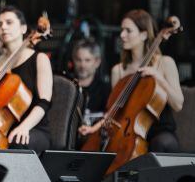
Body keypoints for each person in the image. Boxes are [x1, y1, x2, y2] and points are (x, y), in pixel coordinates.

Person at [79, 9, 183, 152]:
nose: (122, 35)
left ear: (144, 34)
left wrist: (158, 77)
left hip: (159, 132)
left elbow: (178, 104)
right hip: (128, 132)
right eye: (122, 30)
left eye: (128, 31)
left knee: (162, 143)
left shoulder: (165, 63)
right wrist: (93, 129)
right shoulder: (118, 70)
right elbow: (115, 111)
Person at [0, 6, 52, 154]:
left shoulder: (39, 59)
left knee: (16, 142)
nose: (3, 27)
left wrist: (24, 127)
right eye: (0, 24)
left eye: (9, 22)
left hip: (33, 128)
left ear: (23, 28)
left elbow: (44, 102)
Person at [73, 39, 111, 137]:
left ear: (97, 62)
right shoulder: (68, 87)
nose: (82, 65)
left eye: (87, 60)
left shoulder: (106, 89)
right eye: (79, 60)